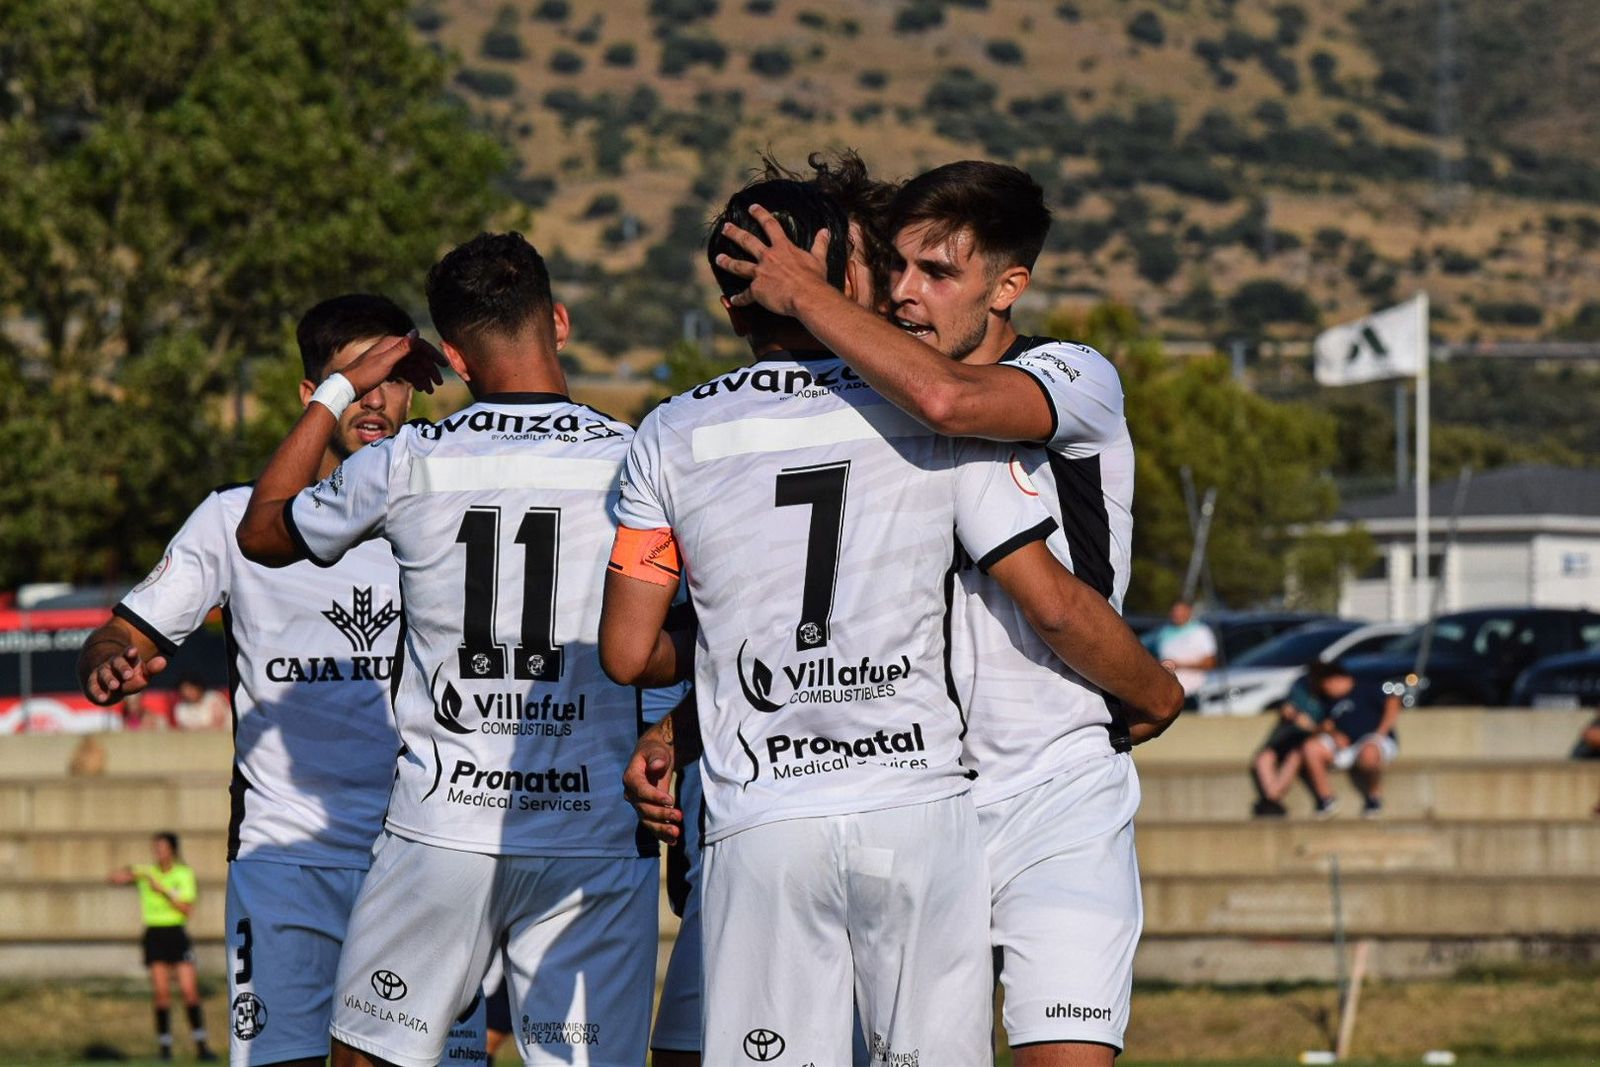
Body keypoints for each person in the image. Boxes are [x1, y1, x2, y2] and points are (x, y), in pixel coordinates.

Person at [604, 178, 1182, 1064]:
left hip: (1048, 789)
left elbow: (960, 413)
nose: (910, 291)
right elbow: (810, 613)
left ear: (1006, 286)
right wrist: (681, 729)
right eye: (897, 267)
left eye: (939, 271)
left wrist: (1153, 691)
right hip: (911, 791)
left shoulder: (1070, 374)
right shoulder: (872, 399)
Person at [237, 232, 656, 1067]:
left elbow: (262, 529)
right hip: (596, 826)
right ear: (560, 322)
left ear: (454, 356)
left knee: (367, 1057)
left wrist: (337, 390)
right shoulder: (641, 454)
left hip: (445, 823)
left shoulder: (407, 461)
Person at [78, 293, 428, 1067]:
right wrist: (108, 658)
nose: (377, 399)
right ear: (312, 397)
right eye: (356, 379)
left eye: (395, 378)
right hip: (282, 863)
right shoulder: (231, 520)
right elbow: (123, 629)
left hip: (418, 858)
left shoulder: (437, 515)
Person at [110, 832, 217, 1062]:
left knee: (189, 991)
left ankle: (201, 1045)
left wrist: (164, 891)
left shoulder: (183, 874)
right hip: (154, 934)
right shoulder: (148, 873)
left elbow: (187, 908)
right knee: (161, 993)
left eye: (162, 847)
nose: (158, 852)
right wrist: (129, 873)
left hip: (176, 933)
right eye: (155, 848)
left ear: (173, 850)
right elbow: (115, 877)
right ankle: (165, 1048)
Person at [1301, 661, 1401, 817]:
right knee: (1310, 747)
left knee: (1369, 752)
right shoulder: (1328, 701)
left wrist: (1380, 733)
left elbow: (1394, 699)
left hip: (1374, 742)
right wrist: (1333, 734)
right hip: (1347, 747)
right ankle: (1326, 800)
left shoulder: (1366, 685)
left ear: (1335, 678)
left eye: (1326, 686)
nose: (1327, 691)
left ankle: (1374, 797)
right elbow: (1326, 725)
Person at [1250, 659, 1343, 817]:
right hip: (1288, 737)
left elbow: (1329, 728)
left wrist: (1312, 727)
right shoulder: (1300, 687)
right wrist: (1289, 712)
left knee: (1295, 756)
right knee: (1263, 758)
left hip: (1308, 741)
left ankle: (1271, 800)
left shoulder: (1330, 699)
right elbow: (1288, 707)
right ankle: (1272, 801)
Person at [1148, 599, 1218, 695]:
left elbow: (1209, 663)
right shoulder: (1164, 632)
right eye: (1175, 611)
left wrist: (1179, 665)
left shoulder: (1201, 631)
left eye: (1181, 611)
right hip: (1167, 690)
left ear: (1189, 611)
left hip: (1195, 690)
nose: (1177, 614)